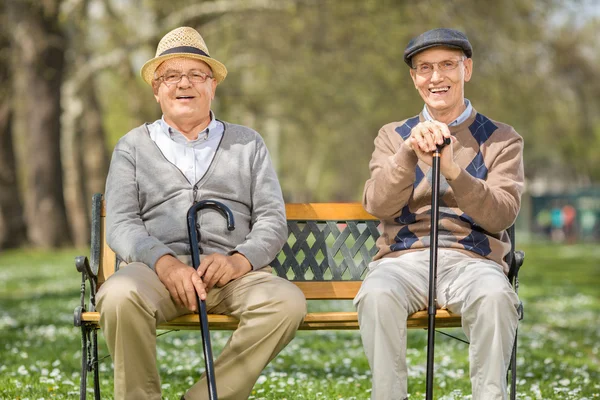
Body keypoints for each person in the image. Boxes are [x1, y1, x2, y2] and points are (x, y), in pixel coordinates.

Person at [96, 26, 306, 400]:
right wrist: (164, 263)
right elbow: (123, 222)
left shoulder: (248, 143)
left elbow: (273, 219)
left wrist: (239, 261)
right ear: (156, 89)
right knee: (118, 295)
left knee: (286, 302)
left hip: (231, 276)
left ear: (212, 86)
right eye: (171, 76)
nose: (184, 84)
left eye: (196, 75)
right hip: (157, 274)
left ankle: (206, 397)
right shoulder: (131, 147)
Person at [354, 28, 524, 400]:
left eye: (447, 65)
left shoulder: (501, 138)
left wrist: (453, 172)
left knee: (496, 297)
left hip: (473, 259)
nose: (436, 77)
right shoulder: (392, 134)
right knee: (376, 295)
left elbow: (501, 215)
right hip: (403, 259)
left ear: (467, 69)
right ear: (414, 79)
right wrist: (406, 154)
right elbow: (377, 204)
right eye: (425, 68)